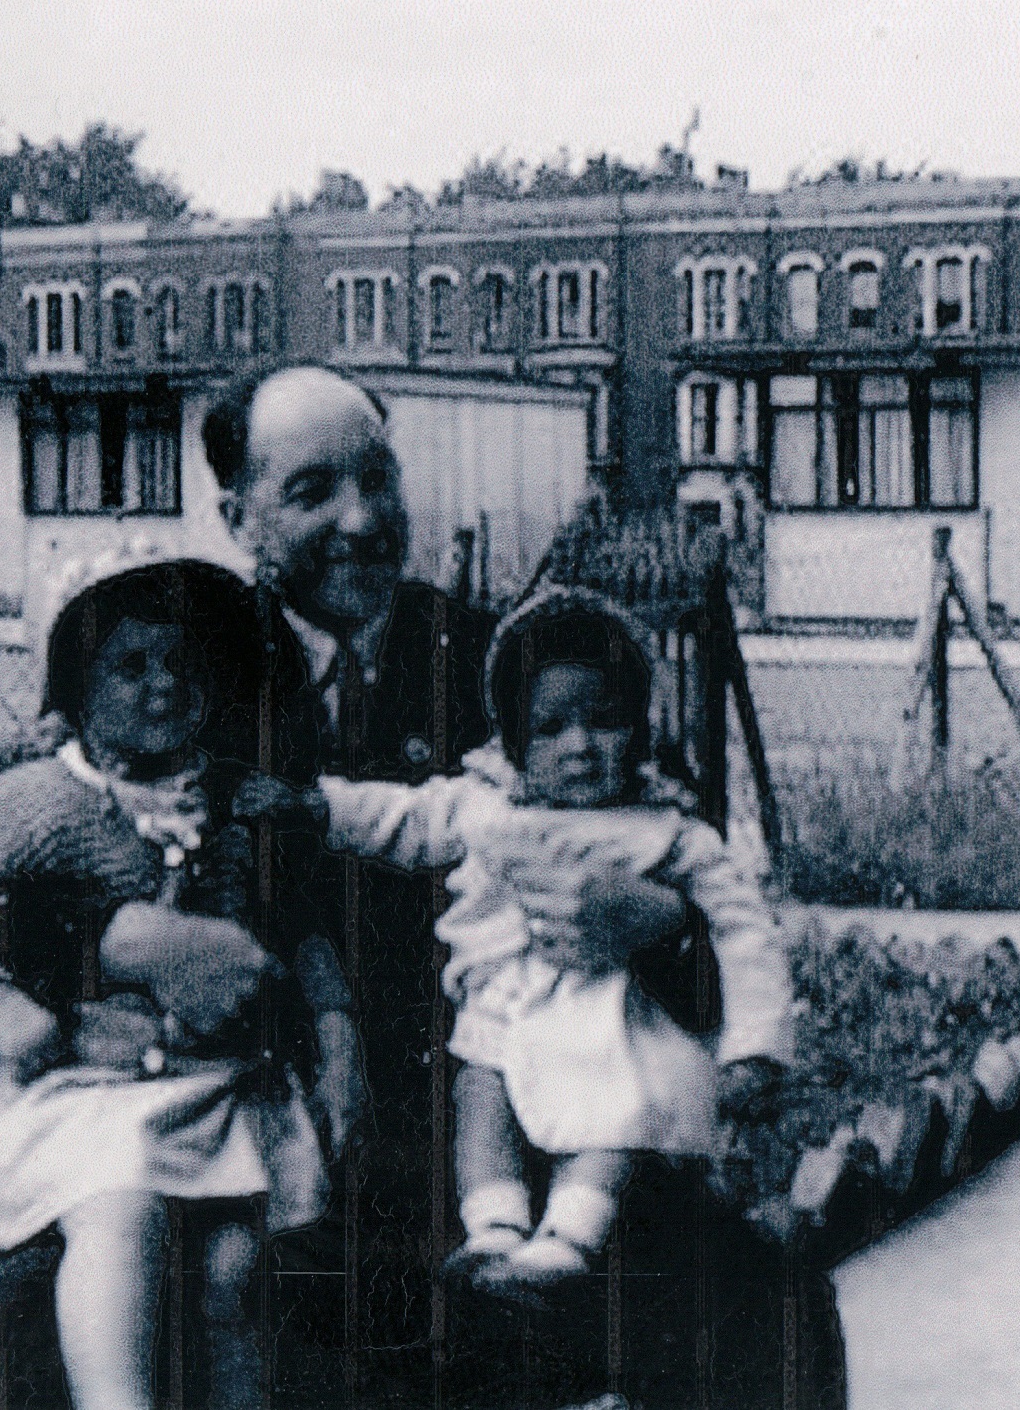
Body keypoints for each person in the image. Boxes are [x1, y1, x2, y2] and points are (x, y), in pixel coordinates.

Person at [205, 362, 845, 1409]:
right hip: (336, 1136)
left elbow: (675, 826)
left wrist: (658, 921)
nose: (361, 520)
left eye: (379, 478)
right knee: (331, 1327)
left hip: (562, 1094)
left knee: (767, 1299)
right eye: (311, 491)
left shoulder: (503, 653)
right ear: (239, 517)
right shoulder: (193, 680)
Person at [0, 554, 358, 1410]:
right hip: (86, 1086)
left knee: (234, 1267)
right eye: (129, 666)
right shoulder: (34, 803)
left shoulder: (241, 802)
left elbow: (305, 927)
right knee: (119, 1207)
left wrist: (337, 1037)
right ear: (71, 689)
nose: (163, 686)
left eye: (181, 664)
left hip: (218, 1086)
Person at [241, 588, 794, 1294]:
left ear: (640, 726)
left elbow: (746, 934)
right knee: (478, 1092)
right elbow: (404, 815)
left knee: (616, 1110)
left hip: (613, 1013)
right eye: (551, 728)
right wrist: (317, 804)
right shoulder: (486, 803)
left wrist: (755, 1044)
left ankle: (573, 1231)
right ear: (511, 739)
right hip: (504, 1006)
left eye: (605, 721)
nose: (580, 745)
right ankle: (494, 1222)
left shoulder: (670, 828)